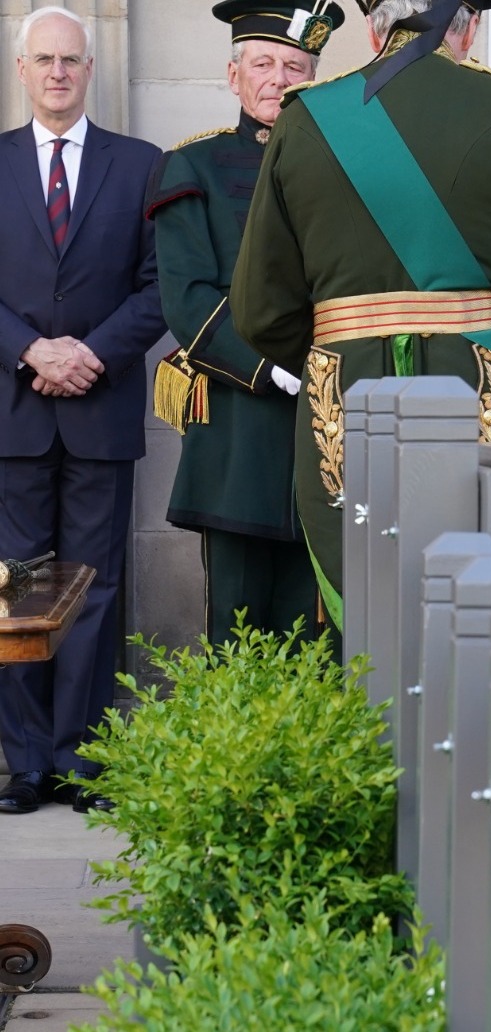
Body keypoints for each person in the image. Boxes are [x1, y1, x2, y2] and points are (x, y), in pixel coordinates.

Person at [230, 0, 491, 636]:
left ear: (375, 29)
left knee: (374, 632)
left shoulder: (307, 119)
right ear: (471, 27)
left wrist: (340, 354)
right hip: (488, 392)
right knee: (478, 627)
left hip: (344, 400)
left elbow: (260, 310)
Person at [0, 7, 164, 814]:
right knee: (19, 590)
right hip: (14, 410)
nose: (58, 72)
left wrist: (89, 354)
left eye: (71, 59)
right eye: (44, 60)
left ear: (89, 69)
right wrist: (32, 352)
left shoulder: (140, 165)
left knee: (94, 587)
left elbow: (163, 285)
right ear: (21, 70)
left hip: (100, 407)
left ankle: (85, 760)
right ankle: (27, 763)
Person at [146, 2, 349, 646]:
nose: (278, 78)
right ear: (234, 77)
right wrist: (272, 369)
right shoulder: (194, 166)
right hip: (237, 433)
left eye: (295, 66)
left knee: (318, 642)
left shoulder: (348, 167)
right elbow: (187, 299)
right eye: (263, 63)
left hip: (329, 433)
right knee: (235, 636)